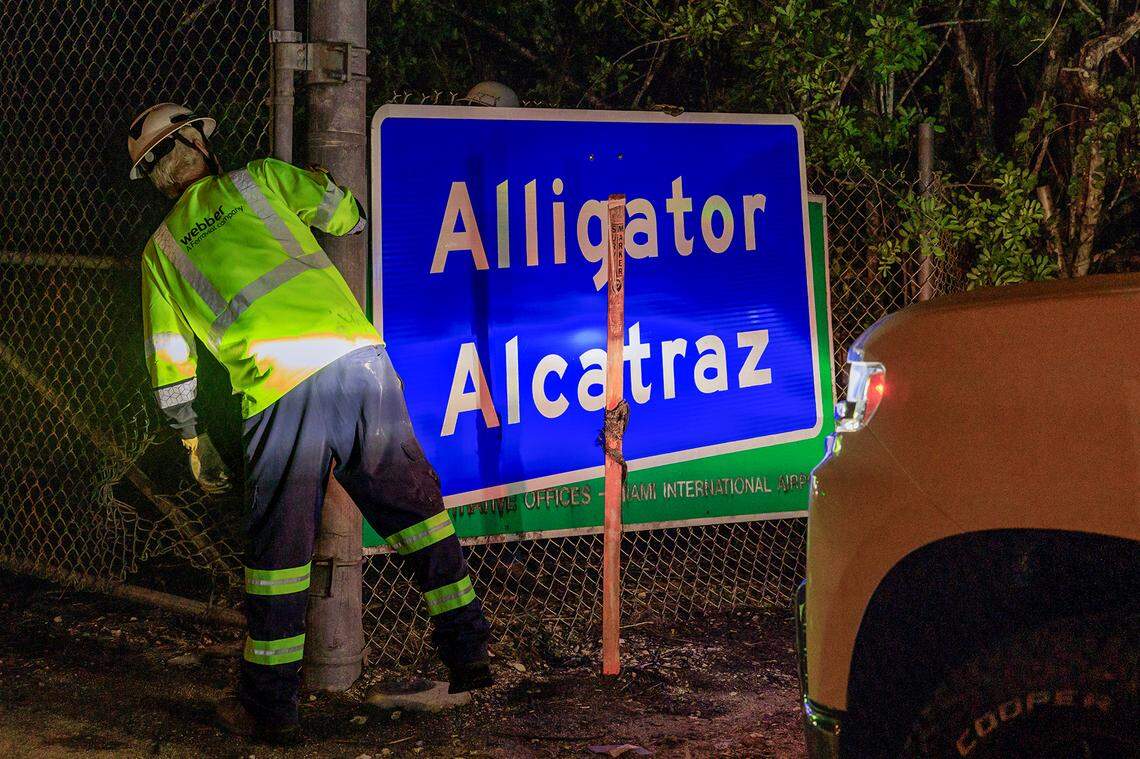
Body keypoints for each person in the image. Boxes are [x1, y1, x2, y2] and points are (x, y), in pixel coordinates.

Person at [126, 102, 492, 743]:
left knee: (279, 556)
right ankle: (468, 658)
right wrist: (326, 182)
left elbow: (171, 358)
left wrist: (191, 434)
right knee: (418, 512)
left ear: (155, 177)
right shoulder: (260, 179)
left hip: (278, 387)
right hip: (357, 359)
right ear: (198, 143)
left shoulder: (160, 252)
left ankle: (270, 710)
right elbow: (347, 217)